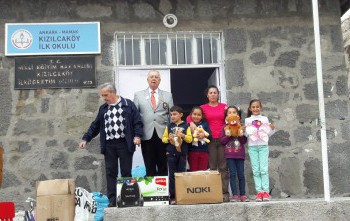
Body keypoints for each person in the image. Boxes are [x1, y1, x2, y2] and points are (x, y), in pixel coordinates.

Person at [79, 83, 143, 207]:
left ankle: (126, 198)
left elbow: (137, 122)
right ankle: (113, 200)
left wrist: (137, 136)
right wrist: (86, 138)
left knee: (126, 171)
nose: (104, 98)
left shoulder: (128, 104)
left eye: (106, 95)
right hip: (109, 145)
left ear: (113, 93)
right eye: (102, 95)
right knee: (110, 172)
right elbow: (95, 126)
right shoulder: (103, 108)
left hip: (124, 143)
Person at [187, 85, 229, 201]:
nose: (213, 95)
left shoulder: (224, 107)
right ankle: (213, 192)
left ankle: (224, 193)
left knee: (223, 167)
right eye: (210, 93)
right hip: (209, 140)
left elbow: (232, 116)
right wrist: (191, 123)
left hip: (222, 139)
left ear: (218, 94)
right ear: (207, 95)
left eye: (215, 92)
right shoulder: (203, 107)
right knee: (211, 167)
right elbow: (190, 117)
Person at [134, 70, 174, 176]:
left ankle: (163, 192)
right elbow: (135, 116)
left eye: (156, 77)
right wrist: (136, 134)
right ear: (147, 80)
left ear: (159, 80)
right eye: (151, 77)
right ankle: (152, 192)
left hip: (163, 135)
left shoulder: (167, 95)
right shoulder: (138, 95)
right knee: (149, 165)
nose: (154, 78)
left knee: (163, 165)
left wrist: (171, 133)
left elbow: (172, 115)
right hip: (146, 134)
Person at [243, 99, 275, 202]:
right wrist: (244, 131)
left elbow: (268, 133)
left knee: (264, 169)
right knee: (256, 170)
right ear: (250, 108)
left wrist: (272, 128)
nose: (255, 108)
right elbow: (247, 135)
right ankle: (259, 192)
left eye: (257, 106)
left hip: (263, 146)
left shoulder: (265, 119)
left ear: (260, 107)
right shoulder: (247, 120)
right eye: (253, 107)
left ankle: (265, 192)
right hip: (252, 147)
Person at [162, 106, 192, 204]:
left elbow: (190, 139)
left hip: (182, 154)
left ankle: (182, 195)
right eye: (171, 115)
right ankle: (173, 196)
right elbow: (163, 139)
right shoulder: (169, 126)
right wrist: (169, 139)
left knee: (182, 174)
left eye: (174, 114)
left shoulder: (186, 126)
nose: (172, 116)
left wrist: (183, 135)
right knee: (172, 175)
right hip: (171, 153)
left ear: (181, 115)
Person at [220, 106, 249, 202]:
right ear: (226, 115)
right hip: (229, 155)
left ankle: (243, 195)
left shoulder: (240, 126)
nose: (232, 114)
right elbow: (222, 141)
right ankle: (235, 195)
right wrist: (228, 135)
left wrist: (240, 134)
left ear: (238, 115)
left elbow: (244, 141)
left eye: (234, 112)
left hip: (240, 154)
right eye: (229, 112)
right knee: (232, 174)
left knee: (241, 175)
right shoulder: (224, 127)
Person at [188, 106, 212, 171]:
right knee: (193, 171)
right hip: (192, 151)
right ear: (191, 115)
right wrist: (192, 134)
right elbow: (186, 138)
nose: (196, 116)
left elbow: (210, 136)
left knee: (203, 171)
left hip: (204, 151)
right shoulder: (187, 125)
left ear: (202, 116)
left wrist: (204, 135)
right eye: (194, 114)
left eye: (199, 115)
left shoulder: (205, 124)